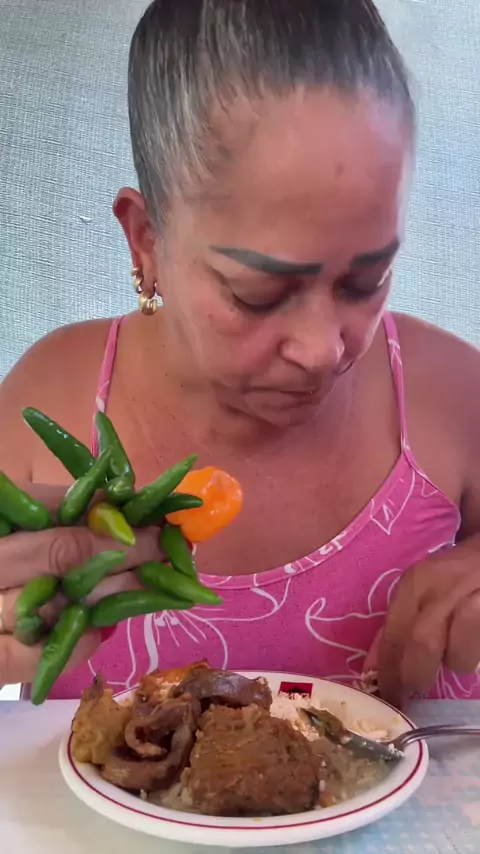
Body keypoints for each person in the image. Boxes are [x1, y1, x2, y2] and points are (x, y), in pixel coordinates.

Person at [0, 0, 479, 708]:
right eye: (259, 294)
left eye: (366, 281)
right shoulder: (50, 401)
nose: (321, 351)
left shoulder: (450, 394)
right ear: (146, 241)